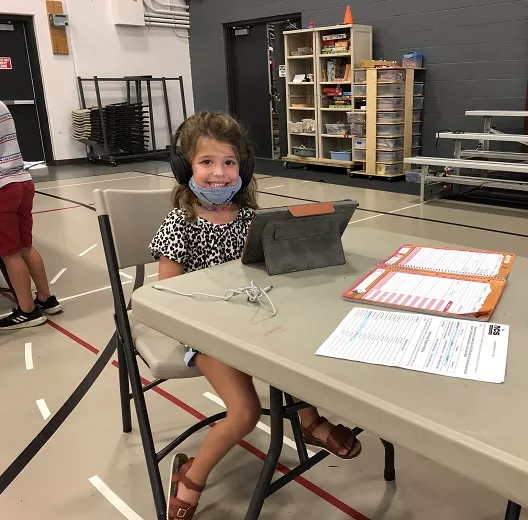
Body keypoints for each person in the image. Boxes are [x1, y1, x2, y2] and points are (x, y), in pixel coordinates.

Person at [150, 112, 361, 520]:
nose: (219, 173)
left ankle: (308, 420)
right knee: (245, 413)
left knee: (300, 352)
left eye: (230, 162)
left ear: (243, 169)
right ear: (184, 168)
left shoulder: (253, 220)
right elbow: (166, 298)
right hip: (208, 334)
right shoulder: (181, 224)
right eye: (206, 162)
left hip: (255, 322)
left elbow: (269, 269)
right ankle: (191, 474)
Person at [0, 101, 62, 331]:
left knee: (9, 253)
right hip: (22, 182)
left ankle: (27, 311)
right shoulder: (1, 105)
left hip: (3, 188)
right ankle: (46, 298)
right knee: (25, 245)